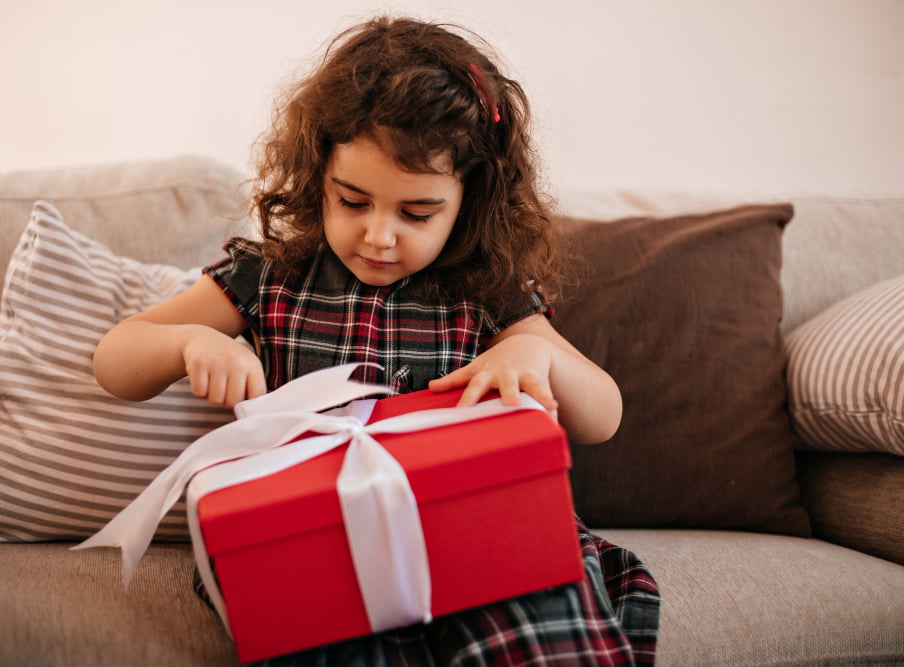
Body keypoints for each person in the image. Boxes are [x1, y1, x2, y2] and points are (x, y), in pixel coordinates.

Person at [93, 16, 659, 666]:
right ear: (319, 176)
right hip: (316, 532)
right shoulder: (271, 276)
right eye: (353, 201)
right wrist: (191, 342)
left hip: (475, 528)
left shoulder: (486, 289)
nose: (379, 236)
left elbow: (604, 415)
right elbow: (115, 360)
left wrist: (537, 354)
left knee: (541, 634)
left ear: (468, 203)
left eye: (416, 213)